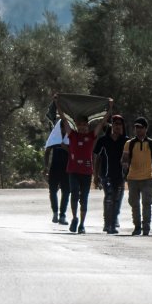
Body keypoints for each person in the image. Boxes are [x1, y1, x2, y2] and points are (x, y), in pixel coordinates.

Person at [54, 94, 113, 234]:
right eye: (79, 125)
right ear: (76, 125)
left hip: (86, 172)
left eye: (84, 125)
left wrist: (110, 108)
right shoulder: (73, 135)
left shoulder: (91, 136)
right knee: (74, 194)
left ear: (87, 125)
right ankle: (74, 218)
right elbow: (63, 119)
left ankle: (82, 224)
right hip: (73, 171)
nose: (82, 127)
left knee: (84, 198)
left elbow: (102, 122)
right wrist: (57, 104)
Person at [122, 117, 152, 236]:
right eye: (136, 127)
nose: (138, 130)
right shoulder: (129, 143)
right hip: (132, 178)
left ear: (146, 128)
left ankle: (146, 226)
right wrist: (124, 165)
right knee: (134, 203)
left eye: (140, 127)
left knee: (147, 203)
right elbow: (124, 159)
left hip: (147, 178)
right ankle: (137, 226)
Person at [93, 114, 128, 234]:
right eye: (115, 123)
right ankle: (107, 224)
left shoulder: (126, 141)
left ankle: (112, 224)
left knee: (117, 199)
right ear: (111, 125)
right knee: (109, 197)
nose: (117, 126)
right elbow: (97, 158)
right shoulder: (103, 140)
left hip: (120, 176)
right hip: (106, 175)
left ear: (122, 126)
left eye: (120, 124)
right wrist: (95, 176)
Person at [43, 119, 69, 225]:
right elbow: (47, 151)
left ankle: (62, 215)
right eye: (62, 127)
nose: (64, 129)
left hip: (67, 168)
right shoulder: (55, 137)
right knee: (53, 191)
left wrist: (65, 148)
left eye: (65, 127)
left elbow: (75, 151)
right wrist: (45, 167)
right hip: (54, 168)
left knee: (66, 192)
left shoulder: (70, 137)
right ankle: (55, 212)